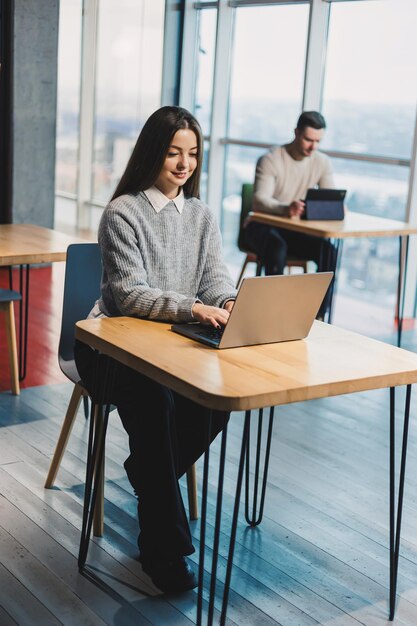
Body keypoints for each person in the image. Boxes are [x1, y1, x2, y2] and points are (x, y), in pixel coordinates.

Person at [74, 106, 237, 593]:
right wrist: (194, 309)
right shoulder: (123, 211)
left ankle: (147, 469)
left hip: (171, 347)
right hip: (110, 348)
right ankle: (163, 551)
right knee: (155, 402)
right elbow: (129, 294)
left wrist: (226, 300)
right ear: (153, 153)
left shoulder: (201, 214)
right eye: (173, 153)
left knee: (216, 403)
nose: (184, 164)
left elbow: (213, 278)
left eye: (192, 154)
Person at [244, 111, 336, 318]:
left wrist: (336, 207)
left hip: (293, 230)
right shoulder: (270, 159)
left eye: (318, 141)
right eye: (308, 140)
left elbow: (329, 197)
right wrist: (286, 208)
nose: (313, 147)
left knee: (329, 251)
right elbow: (259, 201)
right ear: (296, 133)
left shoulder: (322, 162)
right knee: (277, 247)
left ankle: (318, 315)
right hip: (259, 225)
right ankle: (274, 313)